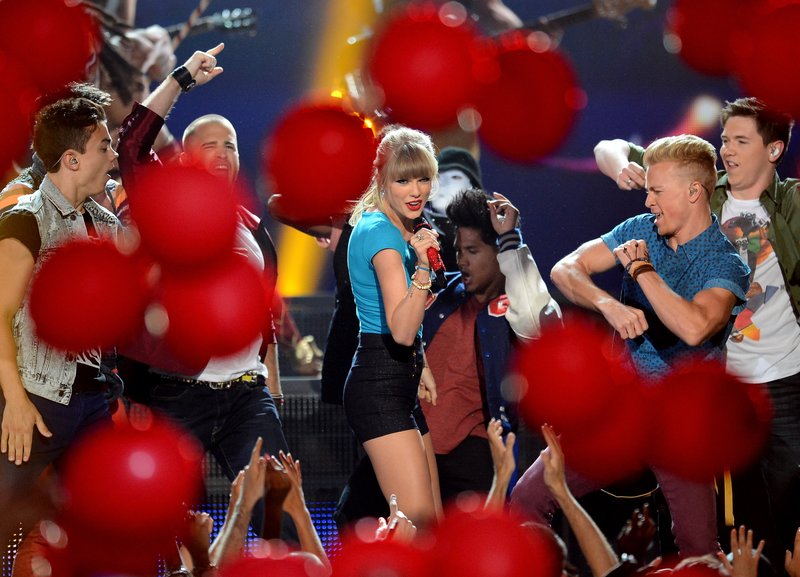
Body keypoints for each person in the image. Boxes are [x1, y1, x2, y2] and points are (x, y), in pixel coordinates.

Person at [511, 134, 751, 556]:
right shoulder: (641, 230)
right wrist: (607, 304)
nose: (648, 203)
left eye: (657, 192)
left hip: (681, 426)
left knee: (699, 549)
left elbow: (694, 327)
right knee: (527, 499)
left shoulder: (724, 261)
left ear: (694, 191)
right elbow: (566, 269)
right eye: (648, 191)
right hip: (620, 412)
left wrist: (641, 270)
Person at [594, 97, 800, 566]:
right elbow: (609, 147)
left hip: (784, 377)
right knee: (729, 516)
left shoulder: (790, 203)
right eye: (725, 138)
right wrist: (621, 166)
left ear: (773, 150)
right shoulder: (702, 191)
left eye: (740, 141)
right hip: (720, 384)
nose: (726, 150)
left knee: (787, 502)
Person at [116, 43, 289, 534]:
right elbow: (131, 146)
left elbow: (263, 318)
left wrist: (270, 389)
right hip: (176, 398)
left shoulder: (255, 231)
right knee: (179, 533)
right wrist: (182, 78)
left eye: (229, 145)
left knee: (278, 514)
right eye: (207, 144)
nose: (221, 153)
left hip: (246, 398)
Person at [0, 96, 120, 545]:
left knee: (109, 521)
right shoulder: (25, 219)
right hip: (35, 399)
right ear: (72, 159)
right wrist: (14, 400)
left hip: (91, 400)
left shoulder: (104, 225)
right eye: (105, 147)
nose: (113, 156)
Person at [421, 187, 561, 503]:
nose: (462, 261)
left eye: (472, 251)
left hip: (475, 457)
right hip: (414, 448)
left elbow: (539, 322)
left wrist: (510, 238)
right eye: (458, 252)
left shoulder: (517, 307)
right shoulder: (442, 296)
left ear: (499, 253)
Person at [344, 124, 442, 526]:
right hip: (379, 383)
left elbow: (406, 330)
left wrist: (422, 365)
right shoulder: (384, 237)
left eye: (423, 178)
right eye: (403, 180)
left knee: (430, 524)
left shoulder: (400, 225)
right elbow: (399, 330)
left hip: (400, 379)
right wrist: (422, 267)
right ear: (381, 178)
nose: (415, 190)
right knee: (413, 523)